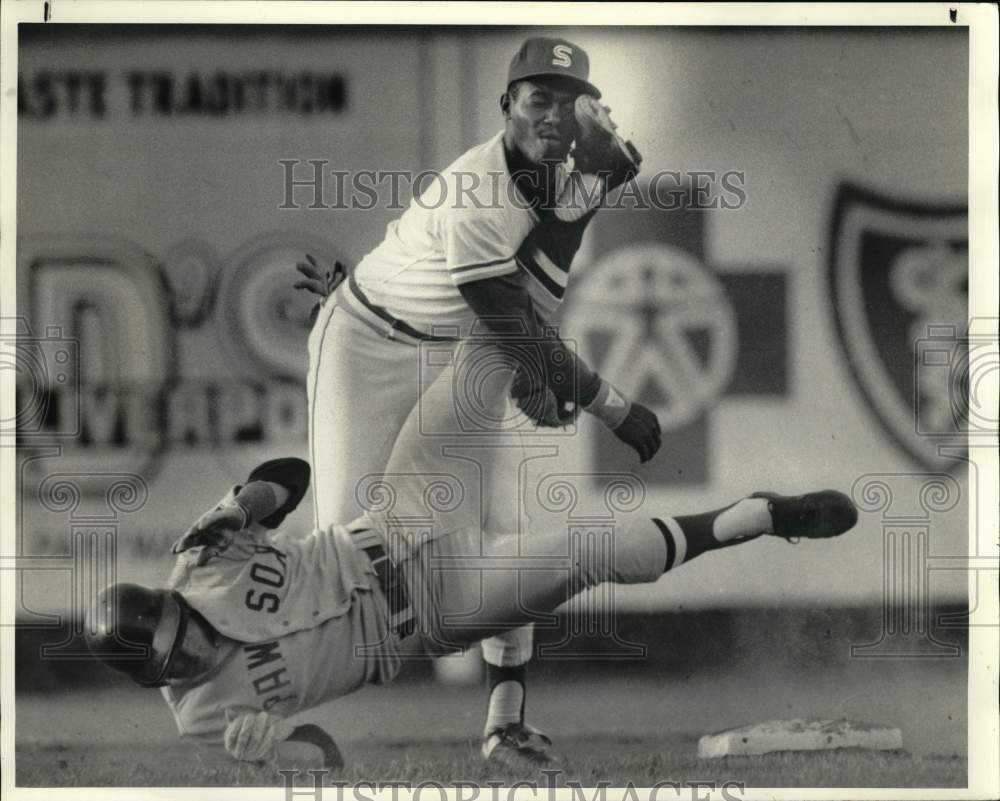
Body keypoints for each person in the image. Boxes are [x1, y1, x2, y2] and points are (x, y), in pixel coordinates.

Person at [299, 35, 656, 764]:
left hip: (458, 347)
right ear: (507, 106)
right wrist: (605, 401)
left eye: (570, 100)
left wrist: (595, 188)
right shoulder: (478, 188)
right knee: (346, 548)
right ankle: (251, 695)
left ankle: (505, 718)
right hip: (368, 346)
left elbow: (527, 303)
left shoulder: (568, 178)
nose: (554, 115)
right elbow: (514, 320)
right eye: (538, 98)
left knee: (503, 521)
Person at [84, 456, 858, 766]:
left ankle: (504, 709)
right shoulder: (199, 714)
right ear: (154, 676)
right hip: (423, 616)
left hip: (384, 525)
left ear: (174, 602)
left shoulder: (196, 557)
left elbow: (290, 475)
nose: (192, 652)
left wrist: (246, 500)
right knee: (572, 562)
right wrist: (272, 750)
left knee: (479, 393)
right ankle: (750, 516)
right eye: (175, 660)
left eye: (183, 630)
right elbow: (327, 753)